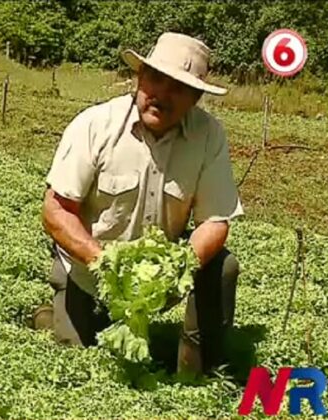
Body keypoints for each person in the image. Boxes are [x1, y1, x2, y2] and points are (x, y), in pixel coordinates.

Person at [38, 32, 244, 374]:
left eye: (177, 87)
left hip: (158, 280)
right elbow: (55, 210)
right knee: (75, 362)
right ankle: (50, 314)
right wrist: (102, 263)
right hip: (89, 271)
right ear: (140, 76)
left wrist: (178, 265)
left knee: (224, 266)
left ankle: (199, 370)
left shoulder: (209, 136)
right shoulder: (96, 125)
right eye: (156, 79)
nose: (161, 95)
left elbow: (215, 221)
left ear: (195, 98)